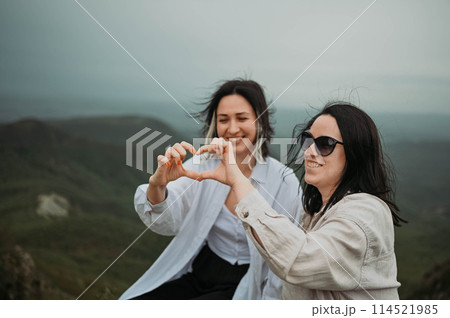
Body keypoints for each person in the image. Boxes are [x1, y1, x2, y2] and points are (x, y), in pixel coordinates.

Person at [195, 102, 406, 300]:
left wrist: (238, 181)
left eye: (325, 144)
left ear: (355, 153)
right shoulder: (314, 211)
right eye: (308, 141)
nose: (309, 152)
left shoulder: (366, 212)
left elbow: (298, 260)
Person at [120, 79, 301, 300]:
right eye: (223, 120)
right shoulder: (203, 165)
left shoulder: (284, 180)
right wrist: (158, 185)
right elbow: (166, 220)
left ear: (260, 121)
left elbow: (290, 249)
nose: (232, 128)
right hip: (202, 269)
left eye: (242, 118)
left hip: (250, 280)